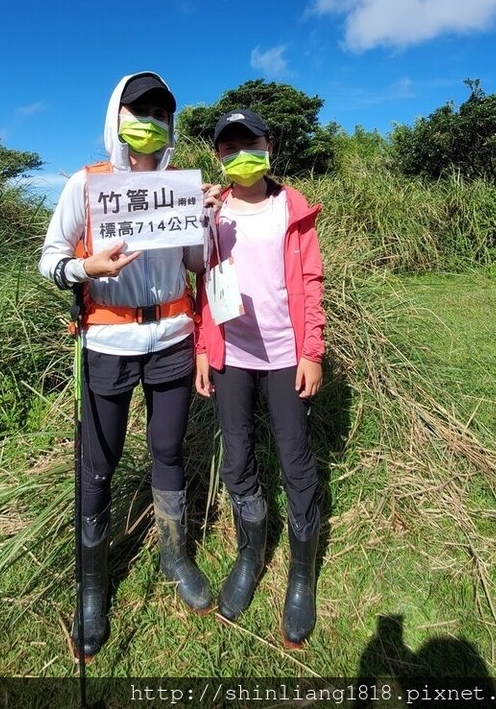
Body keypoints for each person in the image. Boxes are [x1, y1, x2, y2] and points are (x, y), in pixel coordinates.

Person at [39, 71, 213, 660]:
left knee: (167, 449)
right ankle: (93, 589)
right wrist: (88, 269)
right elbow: (51, 259)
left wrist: (205, 221)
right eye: (139, 111)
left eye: (161, 113)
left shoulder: (177, 188)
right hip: (108, 342)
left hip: (171, 338)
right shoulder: (87, 187)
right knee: (98, 462)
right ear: (116, 118)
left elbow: (195, 261)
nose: (151, 122)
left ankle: (175, 555)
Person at [195, 108, 325, 648]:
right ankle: (249, 555)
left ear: (269, 146)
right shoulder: (213, 209)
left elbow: (312, 281)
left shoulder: (291, 209)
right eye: (229, 146)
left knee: (295, 457)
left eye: (250, 142)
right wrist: (204, 347)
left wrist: (312, 351)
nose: (239, 153)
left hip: (285, 353)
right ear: (218, 155)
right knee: (239, 455)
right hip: (233, 354)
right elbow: (200, 277)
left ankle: (301, 574)